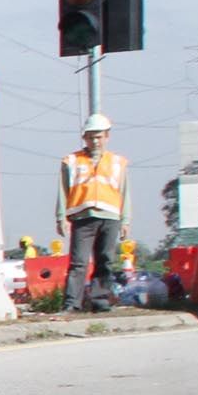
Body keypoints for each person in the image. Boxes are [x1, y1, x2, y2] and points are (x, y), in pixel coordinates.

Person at [59, 114, 127, 313]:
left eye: (99, 136)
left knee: (105, 260)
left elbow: (125, 192)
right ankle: (72, 304)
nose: (95, 141)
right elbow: (63, 191)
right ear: (84, 138)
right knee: (78, 262)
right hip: (83, 217)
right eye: (91, 137)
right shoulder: (71, 161)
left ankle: (101, 301)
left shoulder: (117, 162)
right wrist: (61, 216)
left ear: (107, 137)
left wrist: (126, 220)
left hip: (110, 216)